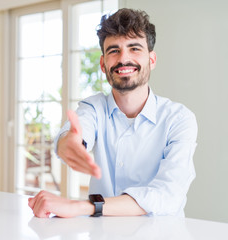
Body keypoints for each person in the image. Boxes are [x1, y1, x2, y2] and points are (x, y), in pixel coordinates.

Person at [28, 8, 198, 218]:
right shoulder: (93, 108)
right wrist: (70, 143)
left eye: (134, 48)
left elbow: (167, 194)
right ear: (103, 64)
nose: (123, 59)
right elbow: (76, 133)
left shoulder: (179, 119)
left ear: (151, 60)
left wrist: (85, 207)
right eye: (114, 50)